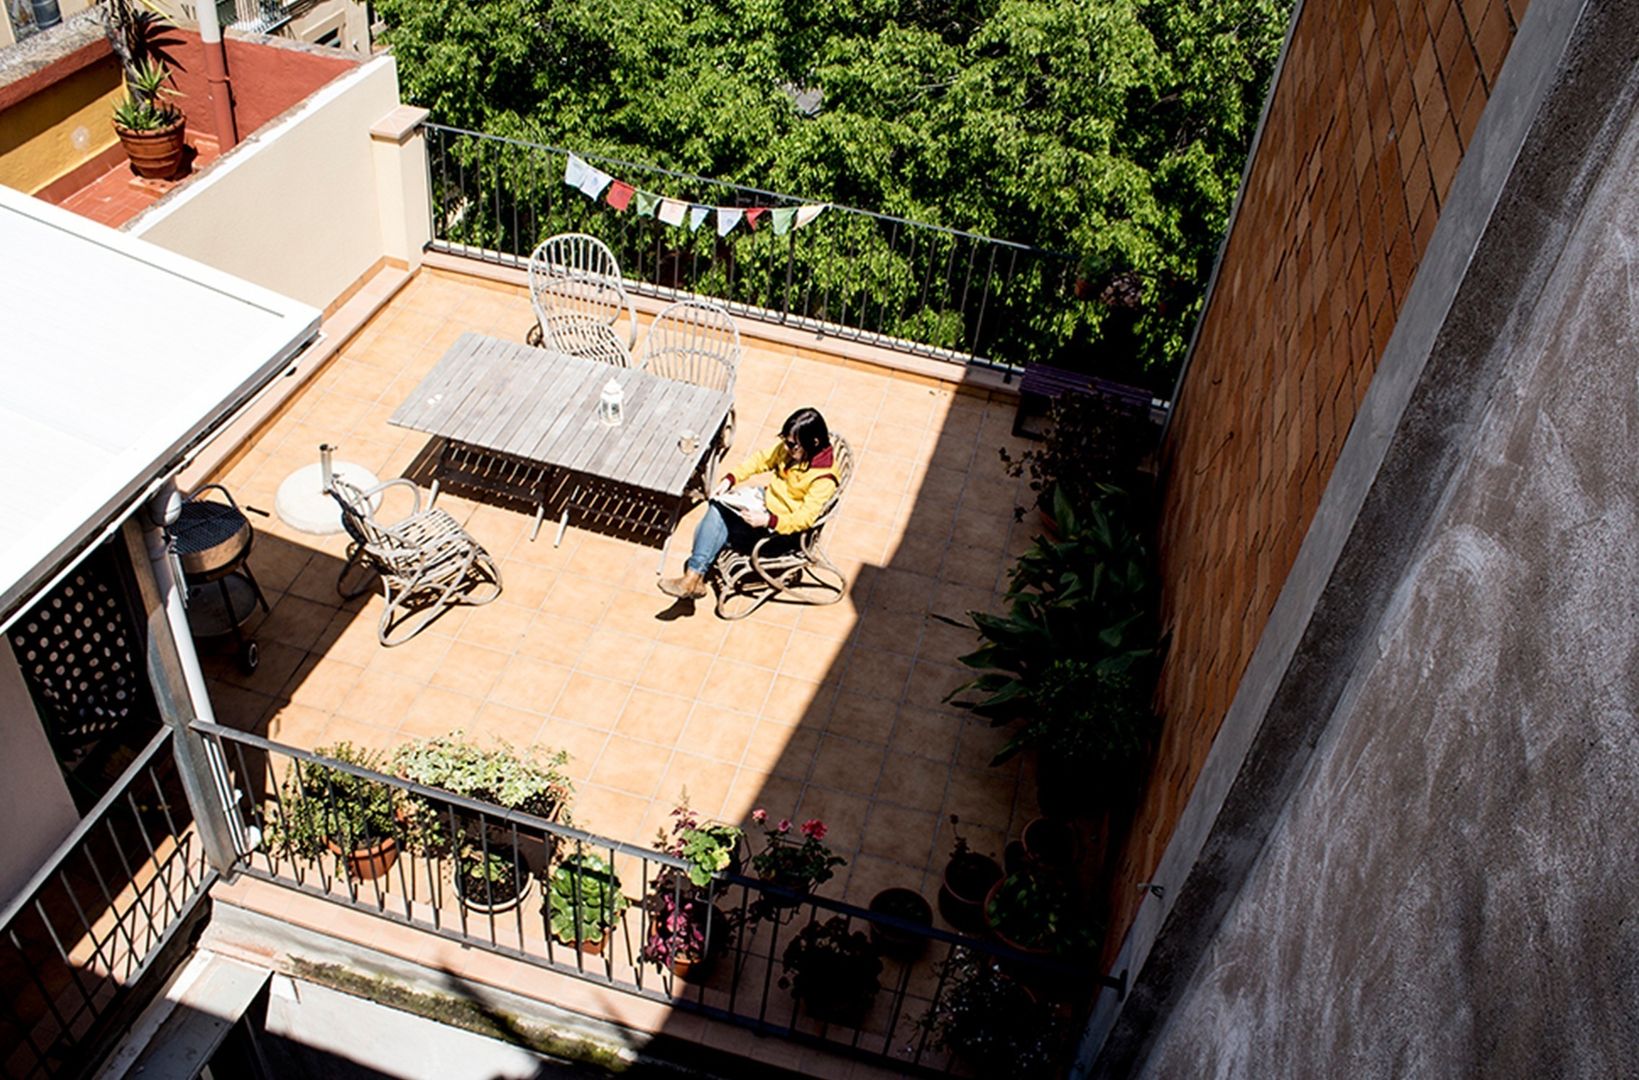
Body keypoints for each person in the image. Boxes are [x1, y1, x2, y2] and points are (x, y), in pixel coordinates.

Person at [659, 407, 839, 600]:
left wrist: (768, 521)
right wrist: (731, 479)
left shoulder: (823, 479)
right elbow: (761, 460)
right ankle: (694, 578)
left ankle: (693, 577)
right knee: (718, 506)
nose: (786, 448)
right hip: (764, 506)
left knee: (718, 522)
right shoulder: (794, 451)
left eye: (792, 445)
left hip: (780, 533)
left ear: (814, 443)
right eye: (785, 442)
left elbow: (804, 519)